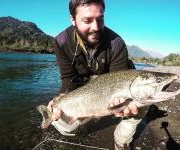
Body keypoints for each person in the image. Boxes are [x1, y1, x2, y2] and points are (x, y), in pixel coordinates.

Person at [47, 0, 149, 149]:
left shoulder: (117, 43)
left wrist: (121, 103)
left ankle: (121, 142)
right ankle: (84, 123)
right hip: (87, 89)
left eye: (100, 19)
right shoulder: (61, 42)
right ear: (73, 20)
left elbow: (117, 80)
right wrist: (61, 97)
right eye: (87, 20)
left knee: (135, 108)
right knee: (62, 124)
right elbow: (68, 79)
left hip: (118, 86)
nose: (95, 27)